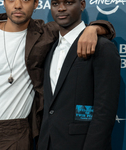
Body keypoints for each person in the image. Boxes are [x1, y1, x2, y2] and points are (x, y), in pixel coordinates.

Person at [0, 0, 115, 149]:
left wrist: (95, 29)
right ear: (3, 2)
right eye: (11, 0)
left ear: (37, 4)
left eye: (25, 0)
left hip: (17, 134)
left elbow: (74, 27)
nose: (17, 5)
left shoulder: (45, 34)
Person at [38, 0, 121, 149]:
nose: (61, 8)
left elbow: (105, 112)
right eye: (55, 3)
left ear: (82, 5)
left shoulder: (102, 47)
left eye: (68, 2)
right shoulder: (50, 47)